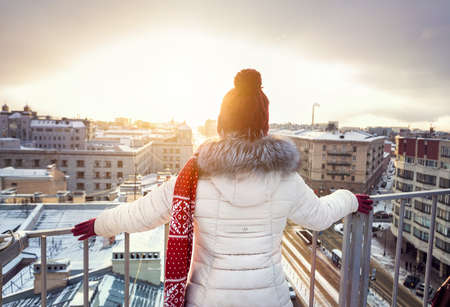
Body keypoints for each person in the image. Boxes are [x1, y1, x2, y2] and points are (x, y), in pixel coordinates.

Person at [72, 69, 373, 307]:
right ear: (265, 125)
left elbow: (143, 213)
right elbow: (320, 216)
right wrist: (350, 199)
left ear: (221, 124)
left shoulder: (193, 177)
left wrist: (100, 224)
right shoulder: (285, 179)